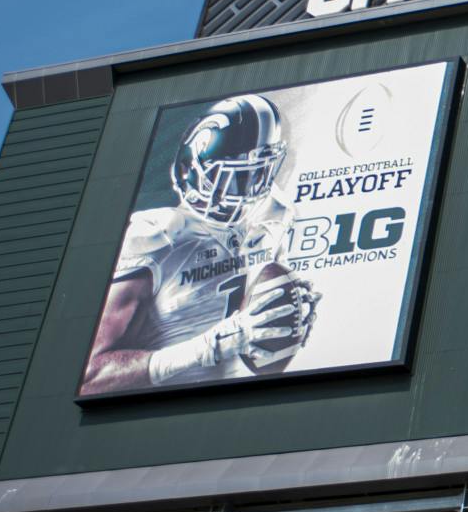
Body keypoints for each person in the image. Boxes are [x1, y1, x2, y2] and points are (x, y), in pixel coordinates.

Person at [80, 94, 319, 395]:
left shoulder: (273, 213)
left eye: (259, 172)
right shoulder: (160, 236)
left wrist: (288, 316)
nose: (251, 188)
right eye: (236, 176)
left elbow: (259, 346)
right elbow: (90, 377)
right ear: (194, 170)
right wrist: (207, 347)